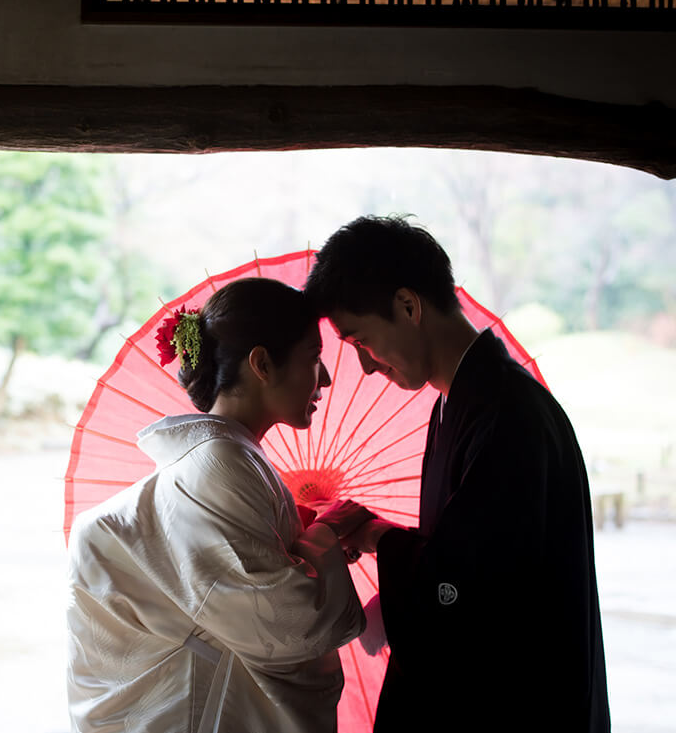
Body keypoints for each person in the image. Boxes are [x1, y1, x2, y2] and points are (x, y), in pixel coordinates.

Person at [305, 215, 611, 733]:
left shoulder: (507, 414)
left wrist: (377, 536)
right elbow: (464, 558)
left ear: (408, 306)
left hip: (517, 702)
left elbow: (474, 594)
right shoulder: (461, 403)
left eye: (361, 342)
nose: (367, 367)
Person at [66, 278, 374, 733]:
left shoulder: (224, 459)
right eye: (313, 357)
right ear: (262, 364)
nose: (325, 378)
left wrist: (297, 540)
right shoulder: (221, 464)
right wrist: (325, 537)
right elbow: (289, 625)